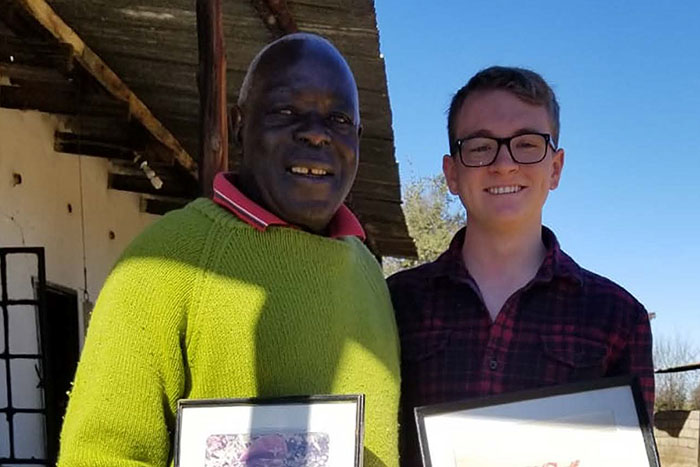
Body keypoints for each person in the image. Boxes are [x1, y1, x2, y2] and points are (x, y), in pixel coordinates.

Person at [58, 33, 400, 467]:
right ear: (239, 126)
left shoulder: (368, 273)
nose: (316, 135)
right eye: (286, 112)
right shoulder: (165, 262)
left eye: (338, 120)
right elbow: (99, 456)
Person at [387, 66, 654, 467]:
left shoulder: (619, 318)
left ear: (556, 168)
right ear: (452, 173)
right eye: (479, 147)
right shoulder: (394, 304)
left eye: (527, 144)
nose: (504, 164)